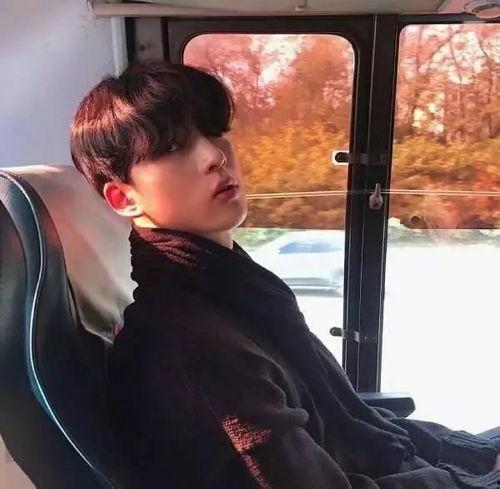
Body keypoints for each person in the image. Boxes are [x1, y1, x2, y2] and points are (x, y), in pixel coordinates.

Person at [70, 61, 500, 488]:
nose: (215, 156)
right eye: (173, 148)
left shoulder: (240, 294)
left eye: (214, 131)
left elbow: (349, 424)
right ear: (123, 198)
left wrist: (467, 455)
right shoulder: (187, 345)